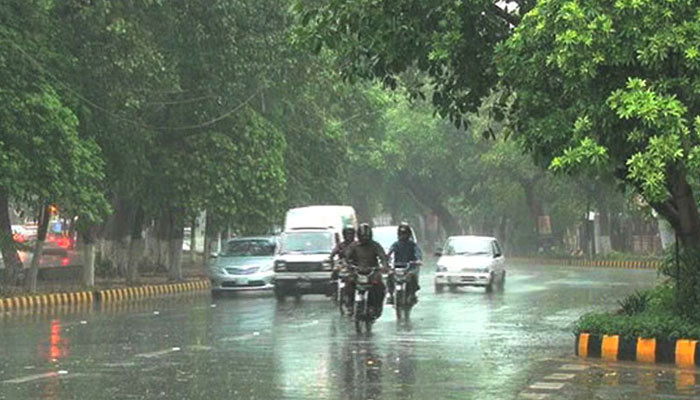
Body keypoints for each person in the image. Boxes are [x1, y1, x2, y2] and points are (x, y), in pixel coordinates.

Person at [346, 223, 389, 318]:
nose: (364, 239)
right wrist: (348, 265)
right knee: (349, 283)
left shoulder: (375, 245)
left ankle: (376, 307)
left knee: (380, 287)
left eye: (366, 236)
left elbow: (382, 256)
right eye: (363, 236)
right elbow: (347, 257)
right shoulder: (354, 246)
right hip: (357, 272)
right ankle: (349, 305)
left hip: (372, 272)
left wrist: (384, 266)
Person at [386, 223, 422, 305]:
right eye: (401, 234)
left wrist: (418, 260)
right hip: (397, 267)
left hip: (410, 267)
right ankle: (390, 294)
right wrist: (386, 260)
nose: (403, 236)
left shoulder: (413, 245)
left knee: (412, 276)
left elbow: (418, 253)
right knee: (390, 275)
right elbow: (389, 253)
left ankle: (412, 294)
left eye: (405, 234)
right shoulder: (395, 244)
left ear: (409, 234)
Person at [329, 227, 356, 300]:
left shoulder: (357, 245)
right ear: (344, 235)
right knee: (335, 270)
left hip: (355, 263)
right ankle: (334, 289)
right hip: (343, 263)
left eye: (351, 234)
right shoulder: (341, 245)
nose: (349, 236)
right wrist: (331, 260)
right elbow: (333, 254)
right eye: (347, 234)